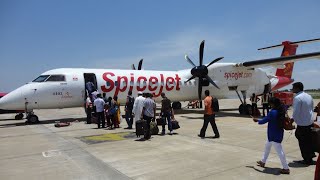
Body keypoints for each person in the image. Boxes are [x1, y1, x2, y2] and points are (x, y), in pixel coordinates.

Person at [253, 97, 290, 174]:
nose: (270, 104)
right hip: (278, 133)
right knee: (267, 147)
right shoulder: (281, 110)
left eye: (270, 103)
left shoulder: (273, 112)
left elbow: (264, 120)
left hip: (273, 135)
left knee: (280, 152)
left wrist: (257, 120)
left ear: (273, 104)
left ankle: (286, 168)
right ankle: (263, 161)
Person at [291, 82, 315, 165]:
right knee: (309, 140)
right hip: (310, 122)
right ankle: (311, 156)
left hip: (302, 124)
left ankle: (306, 159)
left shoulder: (297, 98)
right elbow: (312, 108)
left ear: (297, 88)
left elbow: (296, 111)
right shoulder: (309, 96)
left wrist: (291, 120)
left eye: (293, 87)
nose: (292, 89)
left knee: (303, 141)